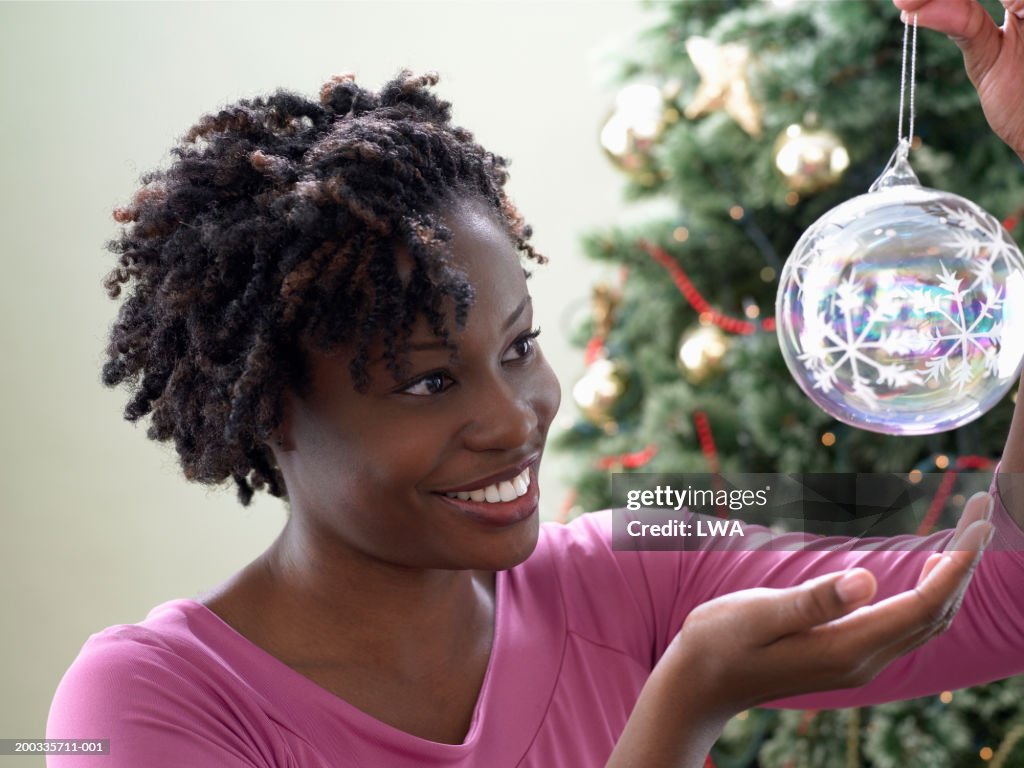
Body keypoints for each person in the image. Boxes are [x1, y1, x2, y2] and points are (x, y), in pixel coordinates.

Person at [46, 1, 1024, 765]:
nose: (515, 419)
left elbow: (1002, 597)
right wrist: (681, 711)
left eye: (517, 346)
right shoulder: (144, 703)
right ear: (269, 411)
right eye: (429, 384)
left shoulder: (633, 573)